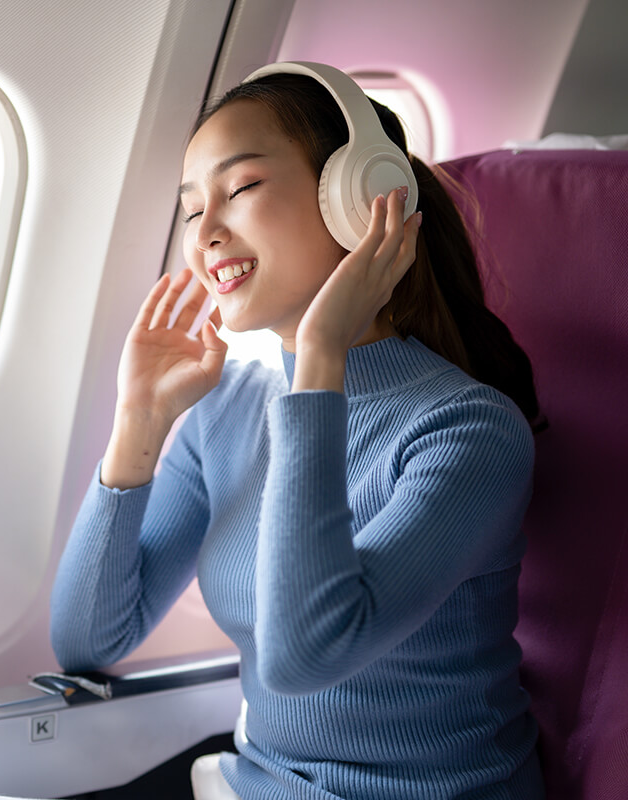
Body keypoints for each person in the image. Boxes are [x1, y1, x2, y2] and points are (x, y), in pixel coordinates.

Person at [50, 62, 544, 799]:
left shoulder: (470, 432)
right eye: (191, 211)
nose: (206, 233)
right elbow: (89, 640)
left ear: (358, 197)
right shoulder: (226, 407)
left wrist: (320, 359)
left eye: (242, 188)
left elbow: (306, 654)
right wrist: (140, 421)